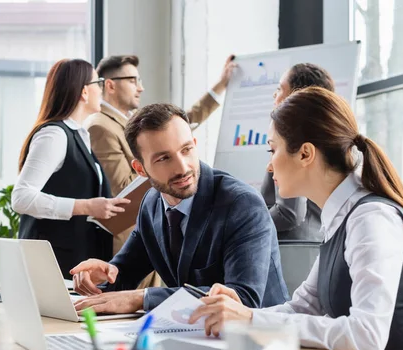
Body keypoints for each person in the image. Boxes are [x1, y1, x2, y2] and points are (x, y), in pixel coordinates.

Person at [189, 87, 403, 350]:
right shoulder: (340, 215)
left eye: (272, 149)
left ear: (305, 153)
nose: (269, 164)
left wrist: (251, 319)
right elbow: (304, 307)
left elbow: (367, 337)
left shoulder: (371, 219)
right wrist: (241, 314)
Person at [70, 103, 290, 312]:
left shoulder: (241, 204)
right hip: (192, 334)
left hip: (260, 340)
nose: (182, 168)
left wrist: (142, 298)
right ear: (140, 169)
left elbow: (244, 298)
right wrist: (102, 275)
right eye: (164, 158)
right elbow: (125, 270)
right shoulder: (151, 203)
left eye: (186, 150)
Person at [83, 54, 237, 288]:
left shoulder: (131, 121)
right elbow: (122, 186)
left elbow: (182, 122)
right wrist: (160, 173)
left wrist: (220, 86)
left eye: (186, 150)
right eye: (133, 80)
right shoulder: (100, 126)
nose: (141, 87)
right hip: (135, 232)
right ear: (111, 85)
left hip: (160, 225)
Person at [12, 59, 131, 278]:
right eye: (99, 83)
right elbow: (21, 198)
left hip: (73, 259)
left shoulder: (79, 135)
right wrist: (87, 207)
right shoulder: (54, 135)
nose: (102, 89)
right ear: (84, 92)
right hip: (51, 263)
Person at [261, 63, 335, 241]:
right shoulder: (323, 133)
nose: (274, 95)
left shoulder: (296, 139)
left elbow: (288, 213)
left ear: (296, 96)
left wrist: (248, 226)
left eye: (280, 89)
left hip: (293, 250)